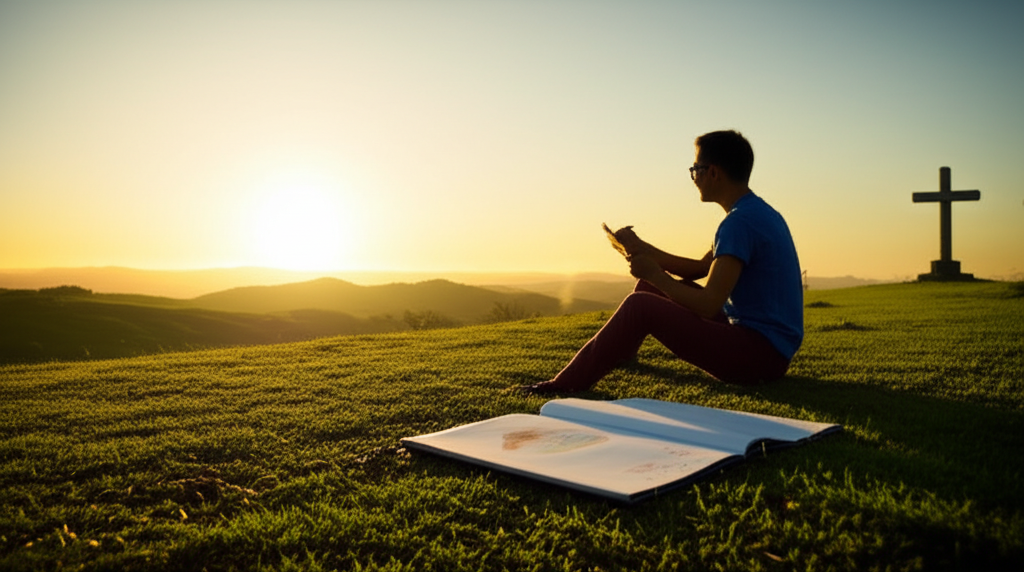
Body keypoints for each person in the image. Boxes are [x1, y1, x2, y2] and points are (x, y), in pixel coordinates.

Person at [520, 130, 803, 394]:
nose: (694, 177)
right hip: (766, 348)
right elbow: (700, 269)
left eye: (696, 170)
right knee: (647, 288)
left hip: (759, 357)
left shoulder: (738, 223)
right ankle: (621, 352)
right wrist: (643, 250)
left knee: (640, 305)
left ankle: (564, 385)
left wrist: (656, 274)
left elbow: (708, 303)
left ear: (713, 172)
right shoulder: (754, 213)